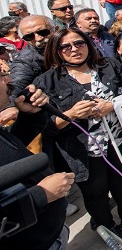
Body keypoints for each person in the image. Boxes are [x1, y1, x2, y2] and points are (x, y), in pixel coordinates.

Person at [33, 28, 122, 241]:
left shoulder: (109, 66)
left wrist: (113, 105)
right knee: (95, 191)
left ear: (88, 43)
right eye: (65, 46)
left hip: (117, 140)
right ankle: (105, 224)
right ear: (56, 51)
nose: (74, 49)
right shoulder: (46, 82)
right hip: (83, 151)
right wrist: (70, 115)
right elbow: (44, 128)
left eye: (79, 43)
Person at [0, 80, 74, 250]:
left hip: (49, 232)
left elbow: (9, 152)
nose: (6, 81)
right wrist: (41, 195)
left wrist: (32, 116)